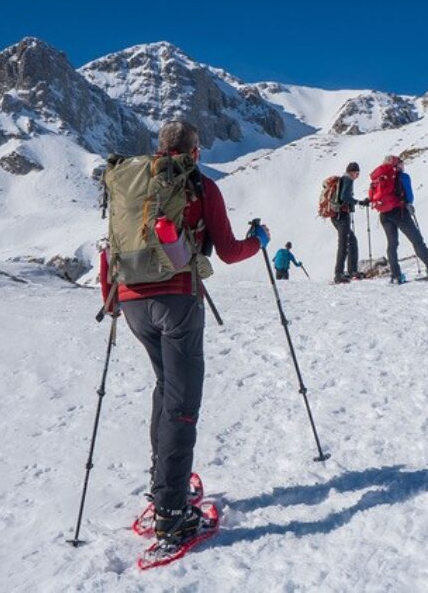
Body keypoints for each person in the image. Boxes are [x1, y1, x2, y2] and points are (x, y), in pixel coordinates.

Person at [101, 121, 270, 545]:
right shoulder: (199, 186)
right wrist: (260, 241)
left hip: (131, 299)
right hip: (177, 301)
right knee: (182, 403)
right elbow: (230, 252)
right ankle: (172, 513)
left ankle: (165, 486)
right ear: (194, 152)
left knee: (165, 387)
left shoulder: (133, 181)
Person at [364, 155, 428, 284]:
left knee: (392, 245)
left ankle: (396, 276)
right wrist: (408, 204)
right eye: (401, 164)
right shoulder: (403, 177)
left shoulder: (379, 178)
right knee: (417, 241)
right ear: (397, 165)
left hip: (384, 214)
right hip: (400, 212)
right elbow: (409, 197)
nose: (403, 166)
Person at [331, 162, 365, 284]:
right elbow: (345, 197)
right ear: (352, 172)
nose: (357, 176)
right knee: (344, 243)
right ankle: (339, 273)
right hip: (341, 216)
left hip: (336, 216)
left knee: (351, 241)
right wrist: (358, 202)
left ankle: (351, 270)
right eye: (357, 173)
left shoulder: (343, 179)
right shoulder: (348, 180)